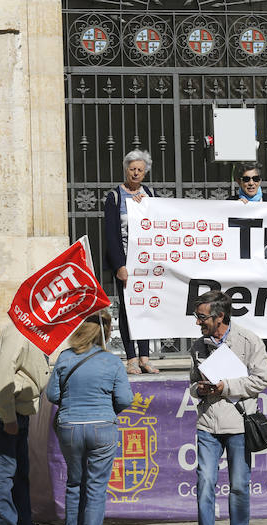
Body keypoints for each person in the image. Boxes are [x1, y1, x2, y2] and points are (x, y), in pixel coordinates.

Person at [189, 290, 267, 525]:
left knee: (239, 484)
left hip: (238, 423)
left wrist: (226, 386)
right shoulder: (197, 346)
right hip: (207, 423)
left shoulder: (249, 341)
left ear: (220, 316)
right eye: (197, 316)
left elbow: (262, 380)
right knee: (205, 481)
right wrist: (199, 389)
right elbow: (192, 384)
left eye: (202, 317)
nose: (198, 322)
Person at [46, 310, 132, 525]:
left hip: (70, 426)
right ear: (106, 332)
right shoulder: (112, 361)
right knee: (96, 488)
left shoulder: (65, 357)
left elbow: (52, 395)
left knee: (75, 484)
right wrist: (106, 409)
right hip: (102, 427)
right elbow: (125, 399)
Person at [0, 323, 54, 525]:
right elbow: (2, 377)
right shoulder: (18, 333)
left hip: (18, 409)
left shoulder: (33, 332)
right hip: (5, 409)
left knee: (20, 474)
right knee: (4, 473)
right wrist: (8, 418)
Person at [104, 149, 159, 375]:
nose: (136, 173)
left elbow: (158, 222)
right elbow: (111, 234)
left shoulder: (150, 194)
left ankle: (145, 357)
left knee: (145, 308)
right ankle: (131, 358)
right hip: (126, 261)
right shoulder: (115, 196)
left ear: (145, 173)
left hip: (146, 262)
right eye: (132, 169)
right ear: (126, 170)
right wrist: (119, 265)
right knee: (128, 309)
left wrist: (145, 205)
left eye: (140, 170)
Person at [228, 161, 267, 368]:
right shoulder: (230, 202)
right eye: (246, 179)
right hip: (242, 268)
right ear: (238, 182)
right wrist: (234, 209)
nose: (251, 183)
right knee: (243, 314)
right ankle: (242, 358)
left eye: (255, 178)